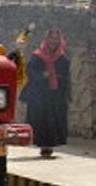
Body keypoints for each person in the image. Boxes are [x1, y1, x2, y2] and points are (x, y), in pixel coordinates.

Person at [21, 28, 70, 158]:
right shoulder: (37, 56)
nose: (53, 41)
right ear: (46, 40)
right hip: (40, 95)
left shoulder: (63, 58)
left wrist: (65, 93)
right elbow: (30, 72)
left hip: (55, 96)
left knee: (54, 121)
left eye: (56, 39)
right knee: (41, 120)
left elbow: (66, 78)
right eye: (51, 38)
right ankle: (43, 145)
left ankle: (49, 146)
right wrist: (42, 75)